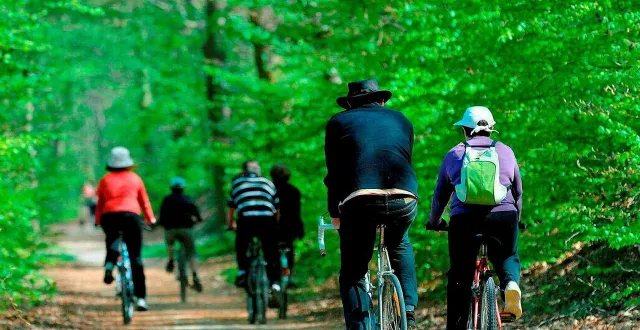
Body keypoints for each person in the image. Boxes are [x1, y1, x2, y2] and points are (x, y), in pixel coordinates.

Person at [324, 78, 419, 330]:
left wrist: (335, 212)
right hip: (405, 196)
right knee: (400, 242)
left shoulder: (338, 122)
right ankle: (408, 308)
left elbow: (334, 173)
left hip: (360, 200)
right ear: (382, 100)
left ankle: (360, 326)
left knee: (354, 269)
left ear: (350, 105)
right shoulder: (402, 120)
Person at [426, 106, 523, 329]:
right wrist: (516, 219)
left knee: (460, 275)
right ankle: (510, 284)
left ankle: (457, 326)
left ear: (465, 130)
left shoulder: (455, 153)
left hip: (465, 220)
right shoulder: (506, 151)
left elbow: (440, 195)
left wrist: (435, 222)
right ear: (491, 129)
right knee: (508, 255)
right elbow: (518, 191)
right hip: (503, 215)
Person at [95, 147, 156, 311]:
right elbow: (144, 202)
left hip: (109, 216)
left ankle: (109, 266)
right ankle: (141, 298)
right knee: (135, 256)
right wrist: (150, 219)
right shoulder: (136, 179)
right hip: (131, 216)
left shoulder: (105, 180)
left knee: (112, 241)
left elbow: (100, 203)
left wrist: (97, 220)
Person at [227, 160, 280, 293]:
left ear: (244, 171)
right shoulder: (268, 182)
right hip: (267, 220)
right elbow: (277, 207)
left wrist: (230, 224)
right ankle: (274, 282)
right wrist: (275, 224)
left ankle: (243, 272)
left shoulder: (237, 183)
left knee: (241, 245)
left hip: (246, 221)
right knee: (271, 251)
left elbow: (231, 208)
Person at [158, 176, 204, 292]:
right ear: (183, 188)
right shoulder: (187, 199)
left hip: (171, 230)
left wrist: (160, 224)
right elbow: (196, 213)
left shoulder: (166, 200)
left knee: (170, 244)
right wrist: (198, 220)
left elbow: (162, 216)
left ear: (171, 188)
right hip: (186, 229)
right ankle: (195, 276)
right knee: (192, 253)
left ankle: (171, 259)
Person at [270, 164, 304, 286]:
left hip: (273, 227)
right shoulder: (294, 191)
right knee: (289, 248)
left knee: (271, 251)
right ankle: (290, 274)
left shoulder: (270, 190)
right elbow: (297, 213)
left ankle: (273, 279)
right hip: (290, 227)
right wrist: (300, 229)